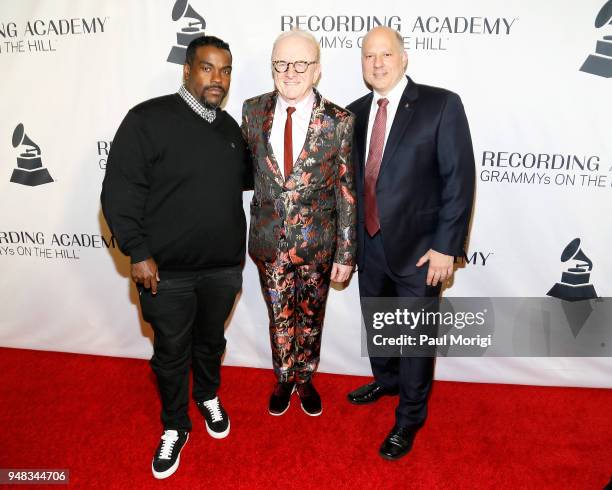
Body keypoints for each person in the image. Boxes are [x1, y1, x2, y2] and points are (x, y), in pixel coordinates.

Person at [101, 35, 251, 479]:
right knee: (170, 352)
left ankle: (207, 395)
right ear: (187, 70)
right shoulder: (147, 120)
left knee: (211, 343)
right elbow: (119, 192)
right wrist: (139, 252)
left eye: (224, 70)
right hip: (165, 273)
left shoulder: (228, 130)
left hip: (223, 268)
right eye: (207, 68)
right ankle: (174, 424)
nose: (217, 79)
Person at [346, 26, 475, 460]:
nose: (377, 63)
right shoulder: (354, 113)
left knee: (416, 338)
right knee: (378, 325)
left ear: (404, 58)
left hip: (422, 250)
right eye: (369, 56)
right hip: (369, 244)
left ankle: (409, 417)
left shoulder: (441, 105)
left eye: (386, 54)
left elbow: (459, 181)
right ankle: (386, 380)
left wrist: (446, 247)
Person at [241, 30, 356, 417]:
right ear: (272, 67)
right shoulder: (252, 111)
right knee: (278, 316)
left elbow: (346, 191)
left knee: (310, 316)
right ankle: (284, 377)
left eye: (300, 64)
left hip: (318, 244)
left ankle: (305, 378)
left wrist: (346, 250)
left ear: (317, 70)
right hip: (268, 240)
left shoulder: (339, 121)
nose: (290, 72)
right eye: (281, 64)